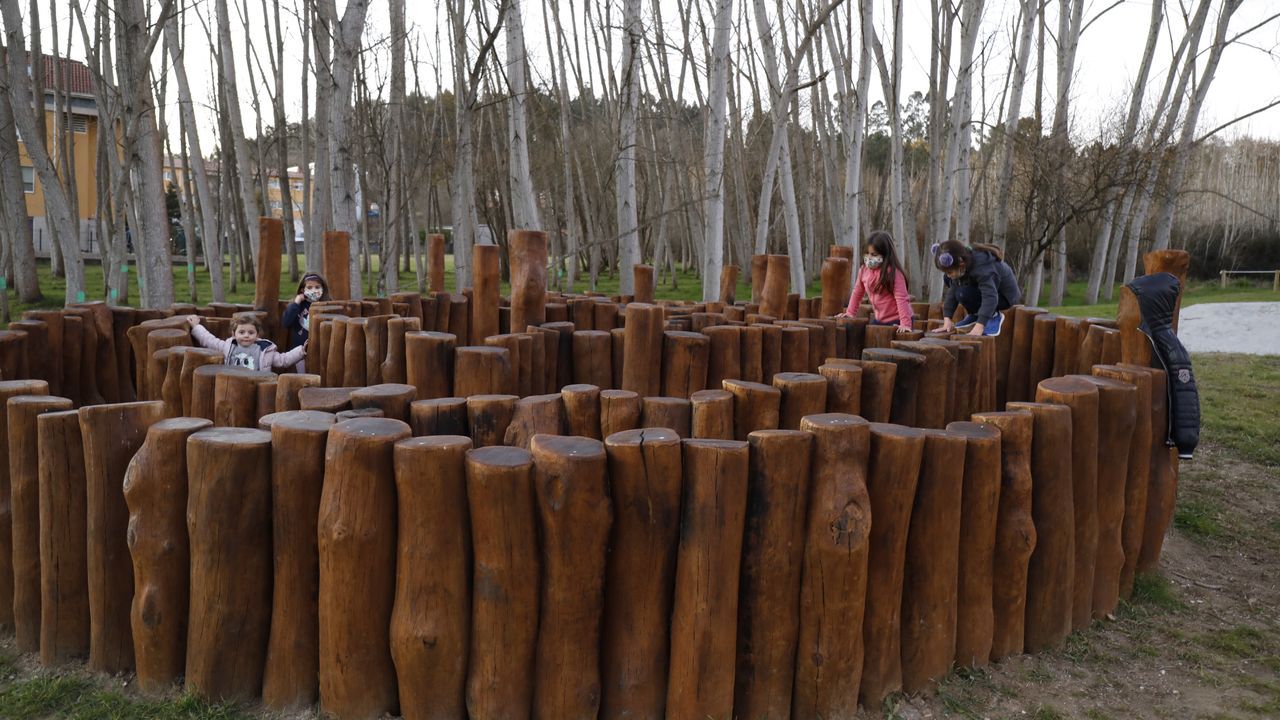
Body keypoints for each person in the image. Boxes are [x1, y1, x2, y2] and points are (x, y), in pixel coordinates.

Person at [930, 240, 1022, 336]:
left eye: (949, 272)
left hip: (1004, 297)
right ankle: (976, 314)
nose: (948, 275)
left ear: (960, 263)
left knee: (963, 293)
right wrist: (947, 320)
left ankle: (992, 316)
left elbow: (990, 296)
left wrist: (980, 326)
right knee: (953, 284)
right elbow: (952, 292)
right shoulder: (963, 264)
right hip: (990, 293)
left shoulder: (982, 267)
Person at [836, 230, 914, 332]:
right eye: (867, 253)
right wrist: (850, 312)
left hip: (898, 320)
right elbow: (857, 292)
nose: (869, 258)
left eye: (874, 254)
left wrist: (905, 324)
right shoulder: (863, 270)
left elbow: (902, 299)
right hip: (880, 320)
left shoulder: (894, 273)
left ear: (885, 254)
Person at [187, 312, 306, 371]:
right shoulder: (228, 346)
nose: (246, 336)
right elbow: (209, 340)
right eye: (242, 332)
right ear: (234, 334)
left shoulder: (264, 350)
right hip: (232, 385)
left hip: (257, 388)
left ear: (257, 334)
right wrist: (196, 327)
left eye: (251, 332)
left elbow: (283, 360)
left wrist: (301, 351)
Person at [282, 273, 330, 351]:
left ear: (323, 288)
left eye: (317, 287)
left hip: (322, 349)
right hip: (300, 351)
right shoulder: (298, 305)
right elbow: (286, 322)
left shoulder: (328, 304)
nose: (314, 291)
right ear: (302, 289)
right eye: (309, 288)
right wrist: (296, 303)